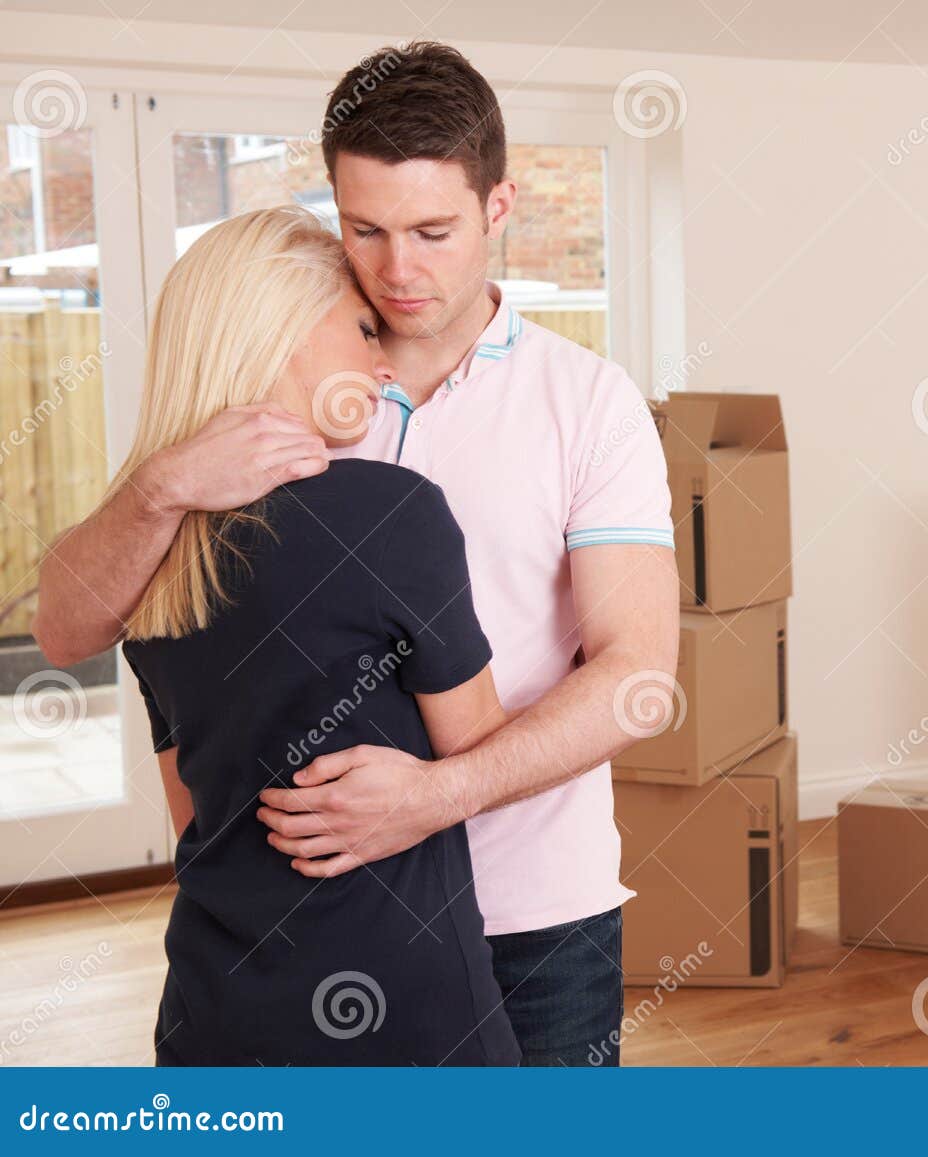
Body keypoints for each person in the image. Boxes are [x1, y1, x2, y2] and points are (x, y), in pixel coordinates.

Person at [34, 42, 678, 1066]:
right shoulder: (263, 385)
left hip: (534, 916)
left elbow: (638, 676)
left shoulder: (588, 402)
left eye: (433, 230)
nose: (398, 269)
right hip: (317, 933)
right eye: (365, 228)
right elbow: (73, 625)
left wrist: (433, 796)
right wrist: (157, 483)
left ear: (498, 209)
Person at [117, 205, 518, 1066]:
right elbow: (484, 753)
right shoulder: (391, 512)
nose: (381, 361)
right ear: (286, 333)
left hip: (210, 1014)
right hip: (406, 1016)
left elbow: (194, 813)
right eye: (364, 329)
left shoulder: (151, 561)